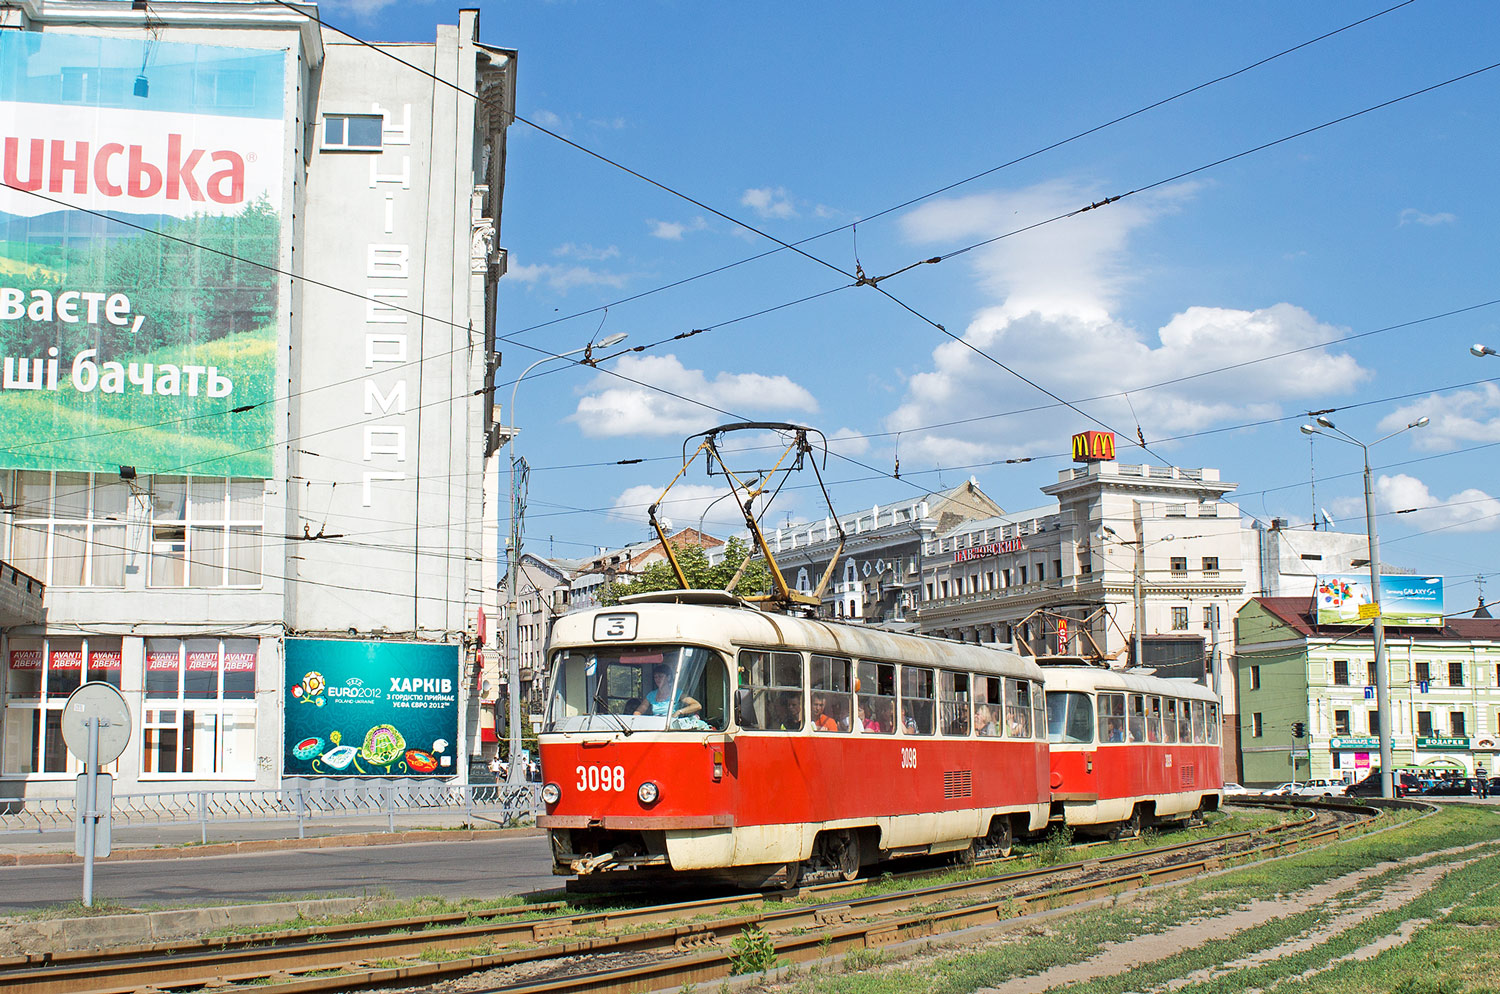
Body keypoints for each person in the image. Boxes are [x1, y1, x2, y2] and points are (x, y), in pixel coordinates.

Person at [635, 664, 701, 719]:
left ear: (668, 677)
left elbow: (697, 705)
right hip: (656, 727)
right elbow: (638, 712)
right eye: (655, 677)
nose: (657, 679)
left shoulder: (676, 693)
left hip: (671, 728)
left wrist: (679, 712)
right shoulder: (651, 695)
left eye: (660, 676)